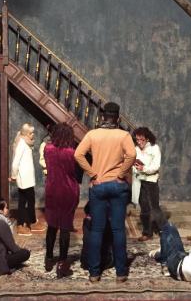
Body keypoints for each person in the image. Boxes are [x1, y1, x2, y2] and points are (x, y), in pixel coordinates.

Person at [74, 102, 136, 283]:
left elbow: (78, 154)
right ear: (117, 118)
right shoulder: (123, 135)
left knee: (96, 230)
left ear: (102, 116)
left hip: (99, 186)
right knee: (118, 230)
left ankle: (94, 273)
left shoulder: (92, 134)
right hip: (117, 186)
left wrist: (93, 174)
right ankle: (121, 273)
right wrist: (121, 174)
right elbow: (132, 155)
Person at [43, 123, 80, 278]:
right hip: (68, 191)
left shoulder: (47, 149)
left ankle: (49, 258)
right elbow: (75, 173)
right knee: (65, 226)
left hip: (52, 189)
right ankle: (62, 262)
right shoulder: (72, 153)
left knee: (52, 225)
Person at [10, 123, 45, 236]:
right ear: (25, 134)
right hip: (24, 179)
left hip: (28, 178)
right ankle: (27, 223)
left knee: (25, 201)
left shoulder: (26, 142)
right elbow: (15, 162)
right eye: (31, 133)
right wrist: (14, 175)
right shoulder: (22, 143)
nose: (32, 134)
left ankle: (29, 222)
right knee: (27, 202)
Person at [132, 127, 162, 242]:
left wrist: (143, 168)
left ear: (147, 138)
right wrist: (135, 167)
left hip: (151, 181)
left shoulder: (155, 148)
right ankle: (147, 232)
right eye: (137, 140)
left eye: (141, 140)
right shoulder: (135, 149)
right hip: (139, 181)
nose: (139, 142)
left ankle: (163, 230)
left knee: (155, 208)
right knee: (144, 208)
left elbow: (156, 166)